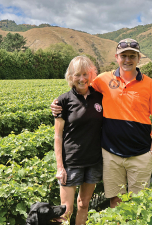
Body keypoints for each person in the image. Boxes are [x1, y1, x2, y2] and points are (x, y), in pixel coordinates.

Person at [51, 38, 152, 209]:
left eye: (132, 56)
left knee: (140, 202)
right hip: (111, 155)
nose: (127, 60)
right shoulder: (103, 80)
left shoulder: (151, 85)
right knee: (115, 201)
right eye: (123, 56)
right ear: (116, 57)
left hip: (140, 154)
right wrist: (57, 104)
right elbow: (81, 86)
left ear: (139, 58)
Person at [54, 55, 103, 224]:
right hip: (72, 162)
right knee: (66, 210)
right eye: (77, 75)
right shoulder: (63, 101)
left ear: (91, 74)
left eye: (85, 74)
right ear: (70, 77)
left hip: (94, 161)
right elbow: (58, 136)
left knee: (84, 204)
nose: (82, 79)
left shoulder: (99, 97)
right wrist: (60, 167)